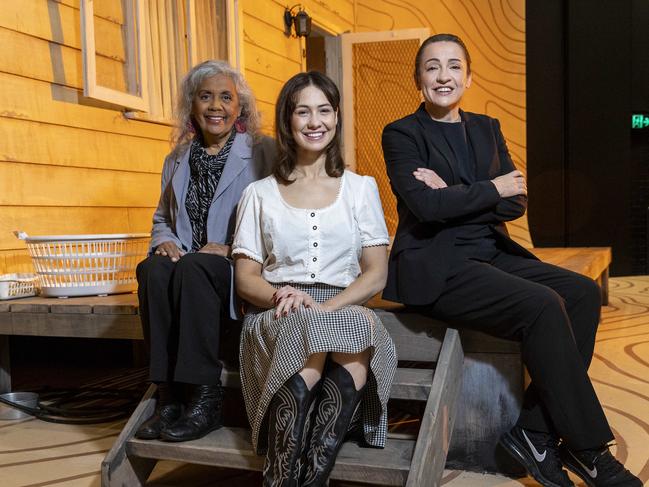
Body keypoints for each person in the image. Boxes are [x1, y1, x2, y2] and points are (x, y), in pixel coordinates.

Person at [381, 34, 641, 487]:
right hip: (437, 265)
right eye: (433, 67)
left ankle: (535, 432)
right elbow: (425, 208)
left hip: (490, 251)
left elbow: (515, 202)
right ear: (418, 79)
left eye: (454, 66)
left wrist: (454, 193)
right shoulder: (402, 133)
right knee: (542, 304)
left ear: (469, 76)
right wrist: (487, 189)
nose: (444, 76)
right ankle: (587, 449)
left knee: (579, 293)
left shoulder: (486, 127)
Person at [232, 71, 397, 486]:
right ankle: (281, 476)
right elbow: (246, 278)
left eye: (324, 110)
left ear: (337, 118)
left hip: (341, 302)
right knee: (304, 325)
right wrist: (279, 296)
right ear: (288, 121)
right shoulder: (260, 194)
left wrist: (325, 306)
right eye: (302, 111)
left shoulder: (361, 188)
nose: (314, 121)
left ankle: (310, 479)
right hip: (280, 308)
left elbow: (376, 273)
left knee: (355, 323)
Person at [135, 60, 274, 442]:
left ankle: (204, 397)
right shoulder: (177, 159)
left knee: (195, 267)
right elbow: (163, 216)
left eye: (226, 97)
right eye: (206, 96)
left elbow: (279, 218)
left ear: (240, 107)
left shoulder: (263, 152)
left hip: (237, 265)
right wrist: (163, 241)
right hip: (188, 268)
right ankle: (167, 398)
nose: (216, 106)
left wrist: (231, 247)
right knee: (152, 270)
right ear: (192, 106)